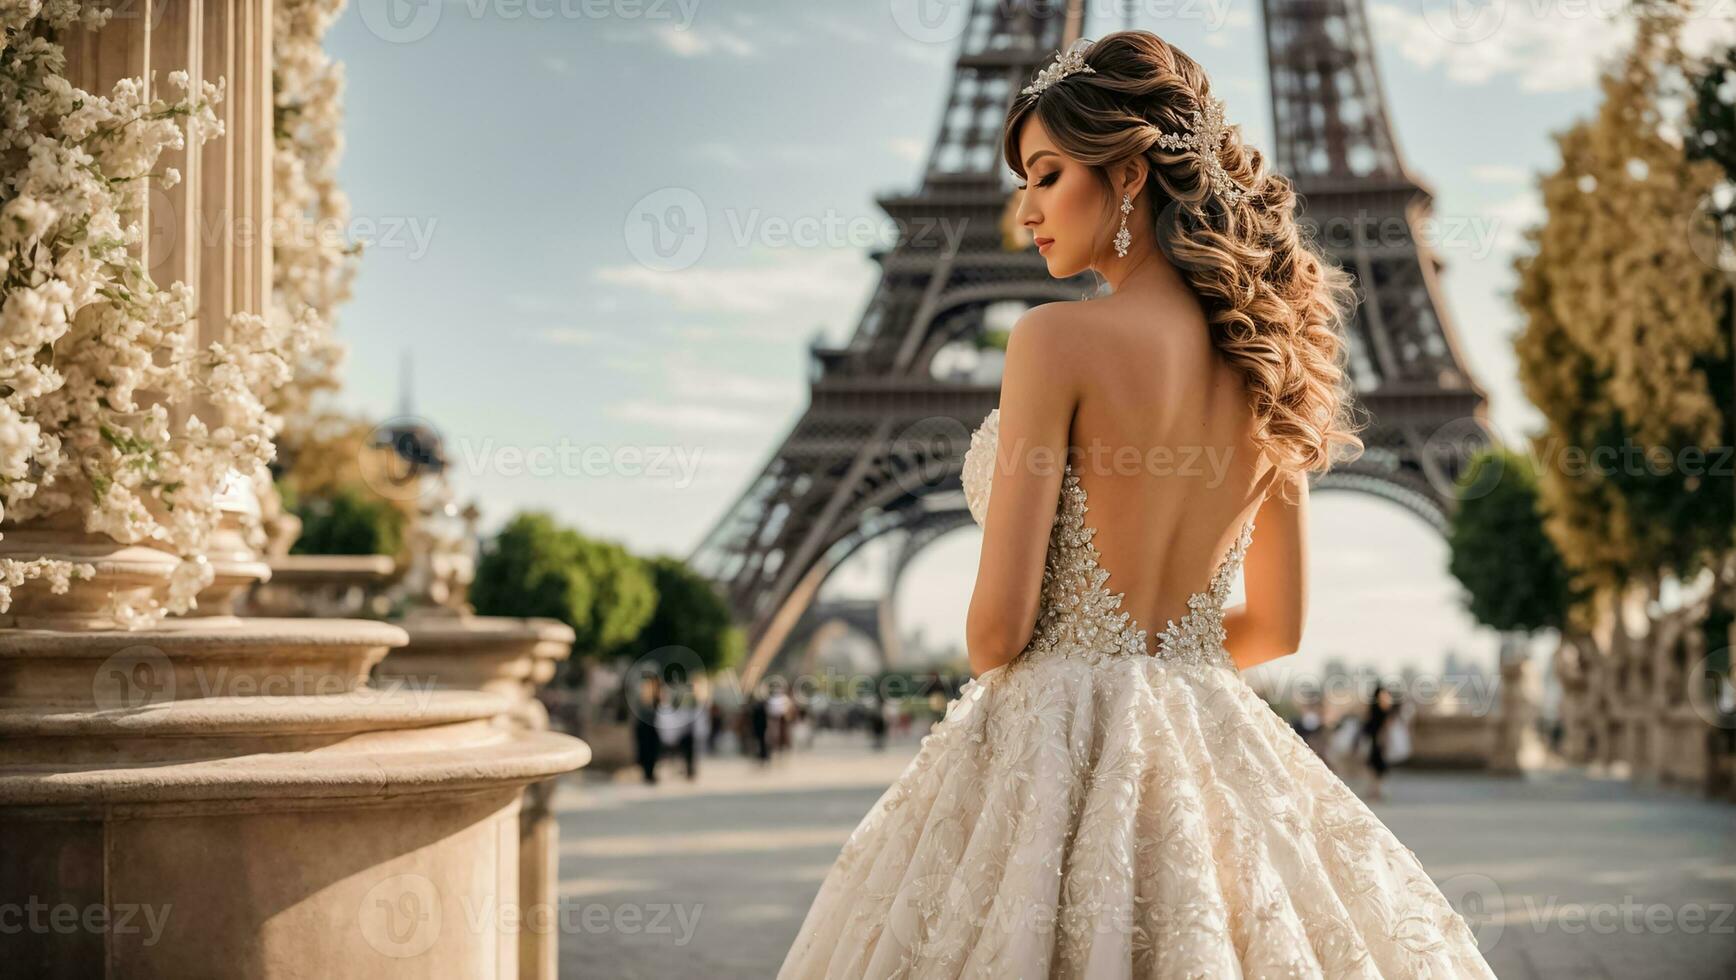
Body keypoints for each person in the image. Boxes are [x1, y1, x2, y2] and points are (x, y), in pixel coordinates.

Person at [778, 31, 1495, 977]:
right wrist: (1164, 664)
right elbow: (1278, 626)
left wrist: (1090, 662)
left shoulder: (1053, 342)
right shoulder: (1267, 362)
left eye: (1045, 174)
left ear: (1125, 175)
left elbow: (998, 631)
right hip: (1207, 734)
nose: (1023, 210)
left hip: (1048, 750)